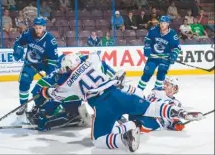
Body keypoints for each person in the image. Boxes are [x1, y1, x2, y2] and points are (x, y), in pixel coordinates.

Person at [38, 52, 204, 152]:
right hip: (118, 94)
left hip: (102, 105)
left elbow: (55, 94)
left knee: (98, 139)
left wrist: (44, 91)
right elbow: (95, 56)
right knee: (150, 108)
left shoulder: (68, 83)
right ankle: (177, 112)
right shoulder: (91, 61)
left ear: (67, 67)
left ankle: (123, 138)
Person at [12, 17, 58, 125]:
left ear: (44, 28)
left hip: (45, 64)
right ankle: (23, 106)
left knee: (46, 86)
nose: (38, 30)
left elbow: (53, 63)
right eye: (36, 27)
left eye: (40, 28)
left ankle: (45, 108)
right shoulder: (28, 33)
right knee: (24, 81)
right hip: (31, 63)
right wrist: (17, 48)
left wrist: (49, 76)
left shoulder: (51, 41)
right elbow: (18, 42)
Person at [137, 16, 181, 91]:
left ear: (168, 24)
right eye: (161, 23)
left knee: (161, 74)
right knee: (147, 73)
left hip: (165, 58)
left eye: (164, 23)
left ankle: (157, 92)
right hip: (153, 57)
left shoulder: (173, 34)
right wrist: (147, 46)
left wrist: (174, 54)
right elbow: (148, 39)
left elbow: (177, 47)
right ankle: (138, 91)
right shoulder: (154, 30)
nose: (162, 25)